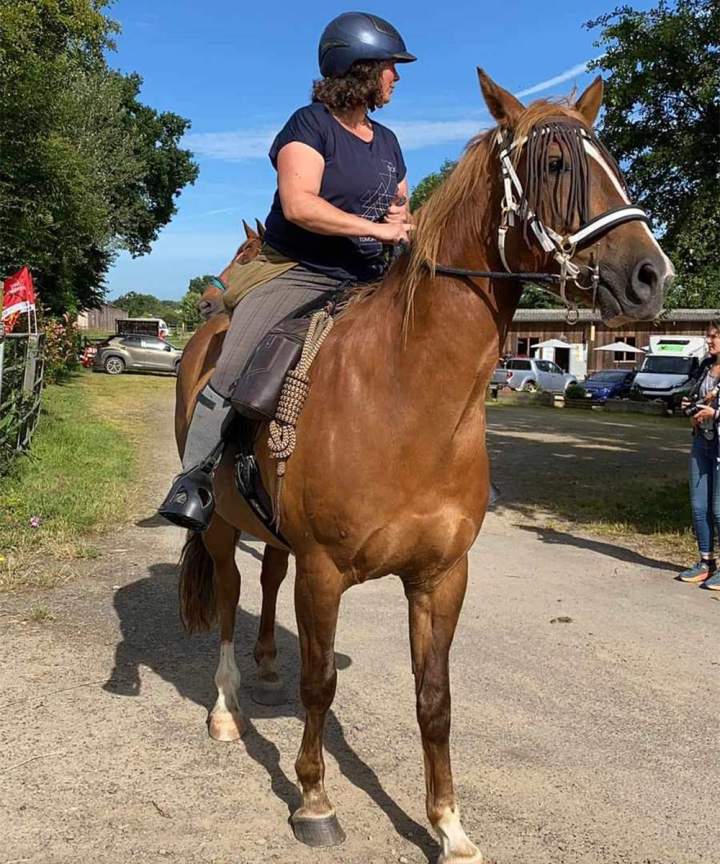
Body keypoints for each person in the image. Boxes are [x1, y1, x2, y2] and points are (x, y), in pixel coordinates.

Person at [159, 12, 416, 531]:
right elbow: (299, 205)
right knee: (235, 363)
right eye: (391, 66)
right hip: (300, 270)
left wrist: (398, 220)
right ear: (360, 68)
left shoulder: (387, 140)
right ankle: (198, 477)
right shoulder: (309, 124)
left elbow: (400, 205)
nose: (397, 77)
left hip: (368, 279)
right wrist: (379, 231)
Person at [677, 320, 720, 590]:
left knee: (718, 509)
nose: (710, 341)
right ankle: (706, 562)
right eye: (708, 336)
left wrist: (715, 414)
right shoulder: (706, 366)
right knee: (698, 506)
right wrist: (690, 406)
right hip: (701, 442)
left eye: (715, 336)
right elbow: (697, 395)